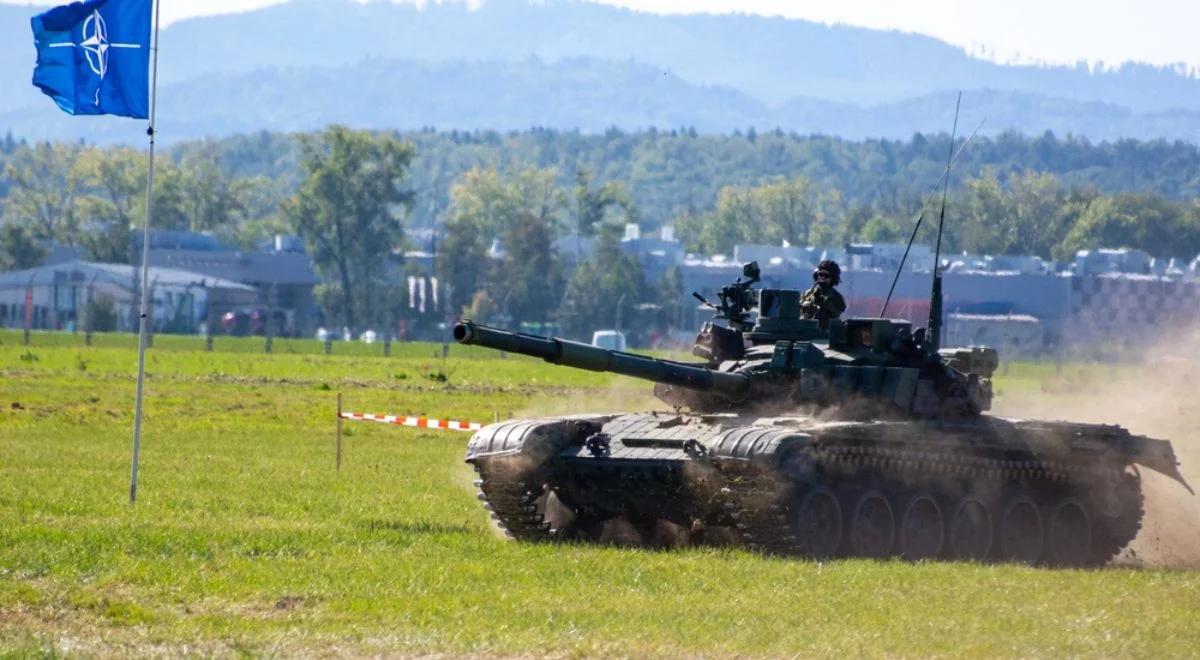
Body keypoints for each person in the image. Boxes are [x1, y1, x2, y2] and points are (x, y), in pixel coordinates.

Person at [799, 259, 847, 328]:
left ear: (833, 278)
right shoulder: (808, 294)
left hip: (824, 334)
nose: (822, 278)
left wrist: (824, 303)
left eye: (826, 276)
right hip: (806, 331)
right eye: (820, 274)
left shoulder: (837, 297)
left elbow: (837, 312)